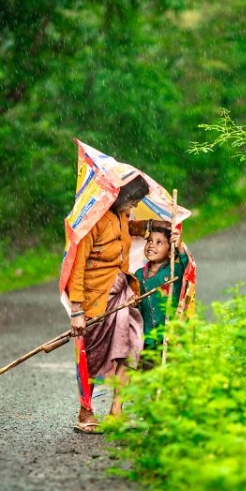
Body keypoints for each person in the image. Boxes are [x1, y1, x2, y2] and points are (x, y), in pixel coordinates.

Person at [66, 175, 171, 433]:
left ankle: (116, 412)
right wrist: (77, 310)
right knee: (92, 356)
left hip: (122, 294)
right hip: (94, 300)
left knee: (132, 343)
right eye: (133, 201)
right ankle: (85, 412)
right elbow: (77, 265)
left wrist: (155, 226)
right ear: (121, 196)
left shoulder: (122, 215)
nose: (134, 207)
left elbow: (128, 228)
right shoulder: (93, 220)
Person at [135, 221, 188, 370]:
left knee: (171, 377)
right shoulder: (138, 275)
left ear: (170, 251)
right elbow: (137, 308)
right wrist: (134, 303)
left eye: (159, 242)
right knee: (151, 377)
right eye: (149, 241)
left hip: (170, 338)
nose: (151, 245)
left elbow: (190, 270)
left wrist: (180, 246)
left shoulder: (175, 270)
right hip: (148, 341)